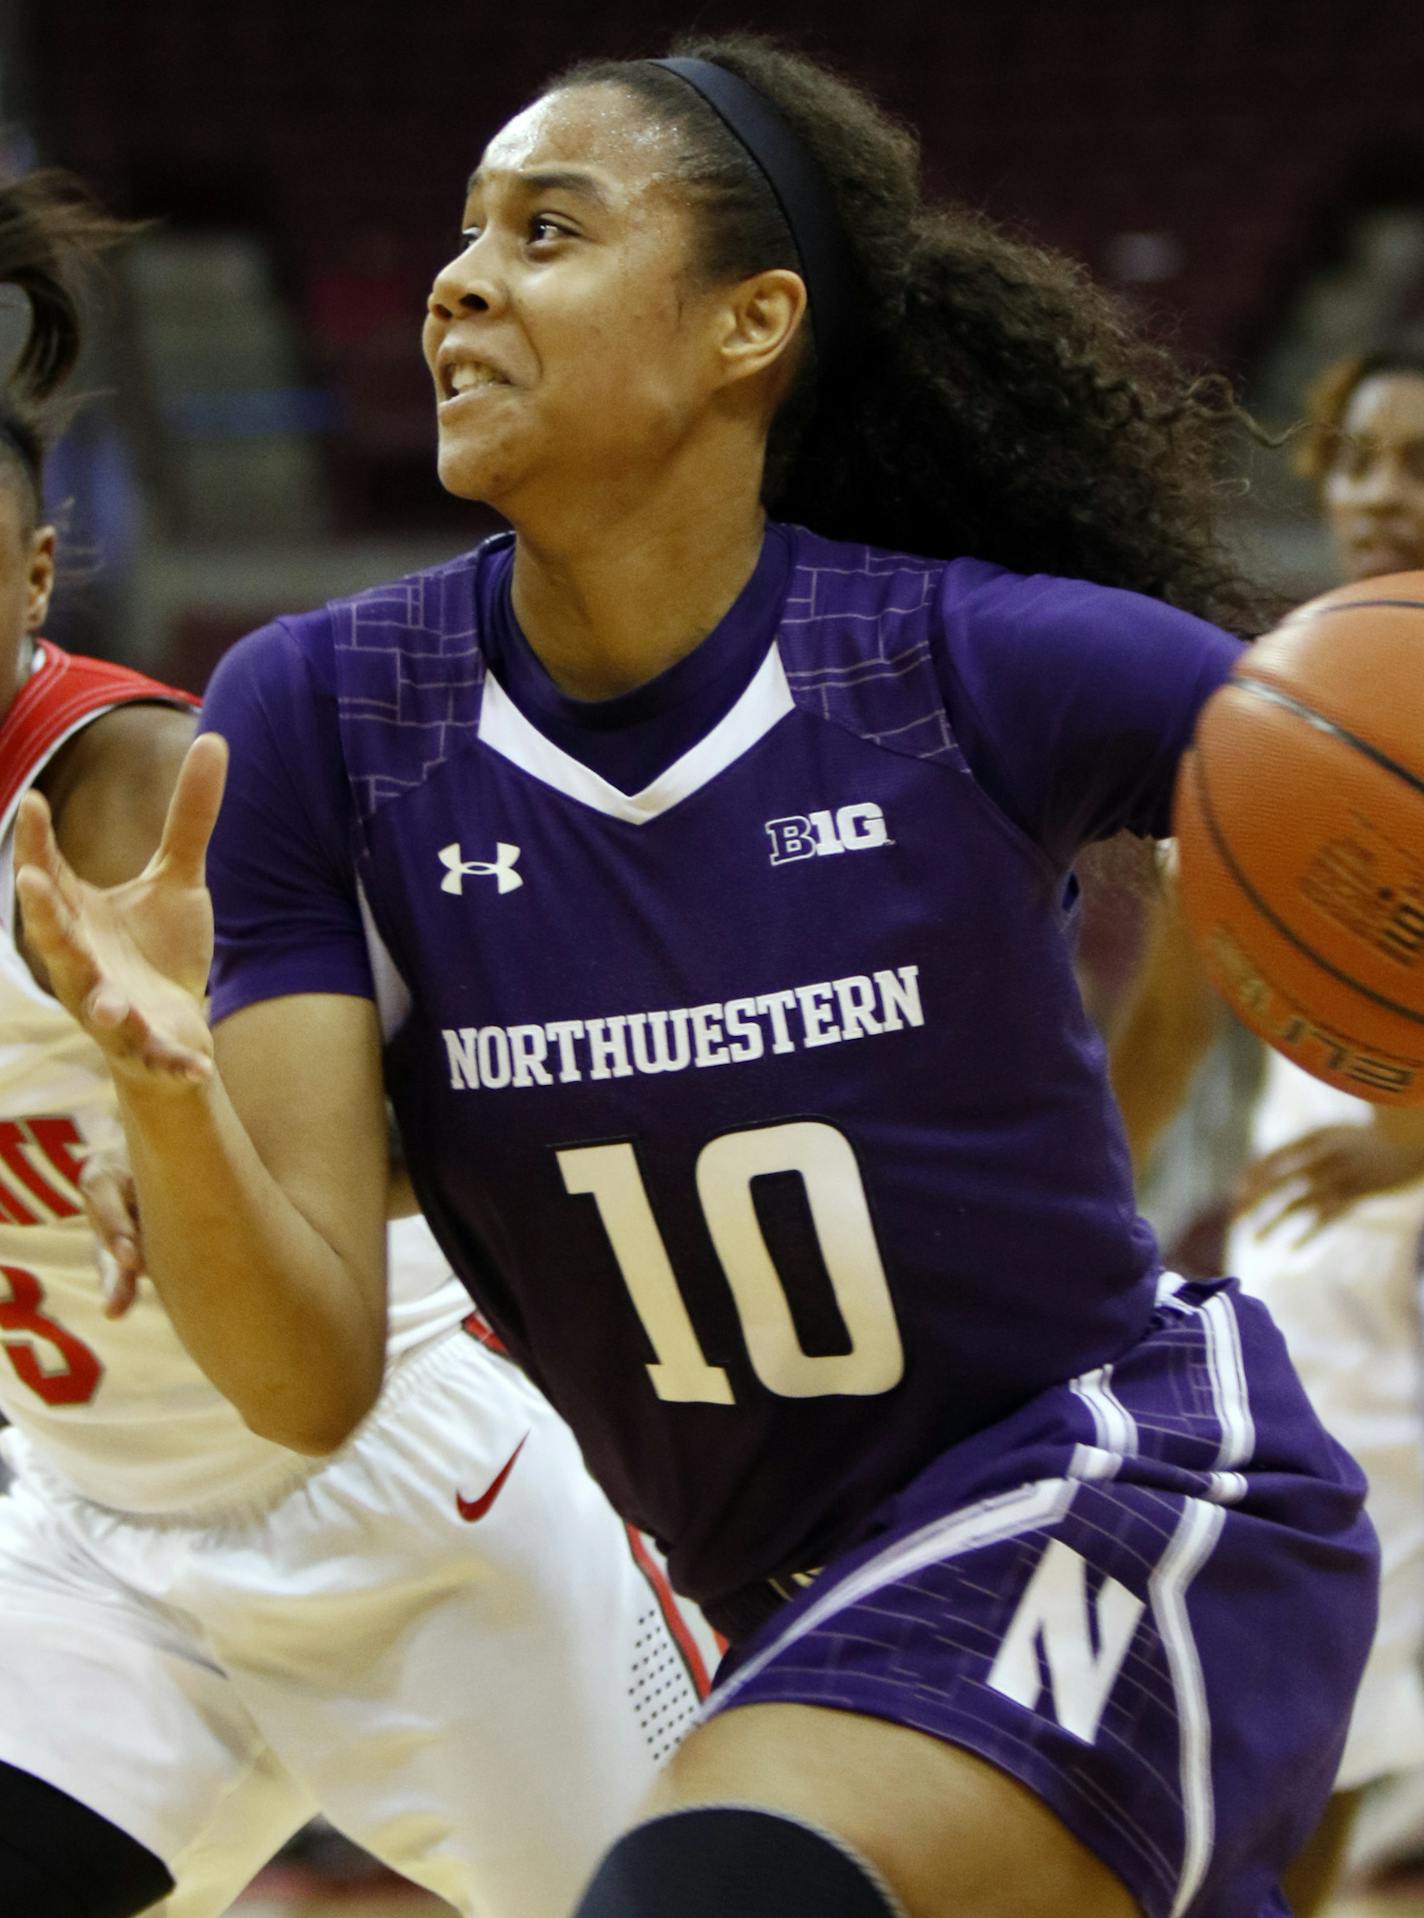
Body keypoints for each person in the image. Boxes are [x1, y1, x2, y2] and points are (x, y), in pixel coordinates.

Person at [17, 41, 1379, 1918]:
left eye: (548, 229)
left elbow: (1341, 783)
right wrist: (171, 1092)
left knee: (705, 1888)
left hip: (1114, 1477)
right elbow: (308, 1377)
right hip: (797, 1605)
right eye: (463, 233)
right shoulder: (320, 715)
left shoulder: (964, 662)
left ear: (752, 325)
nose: (459, 279)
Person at [0, 170, 715, 1918]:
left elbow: (487, 1085)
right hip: (96, 1537)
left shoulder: (129, 793)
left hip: (403, 1504)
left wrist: (199, 1139)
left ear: (32, 567)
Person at [1111, 345, 1424, 1915]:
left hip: (1391, 1226)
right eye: (1362, 457)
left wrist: (1417, 1138)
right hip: (1337, 1300)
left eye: (1421, 463)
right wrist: (1084, 1231)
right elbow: (1173, 1010)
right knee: (1301, 1754)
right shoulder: (1276, 710)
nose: (1384, 492)